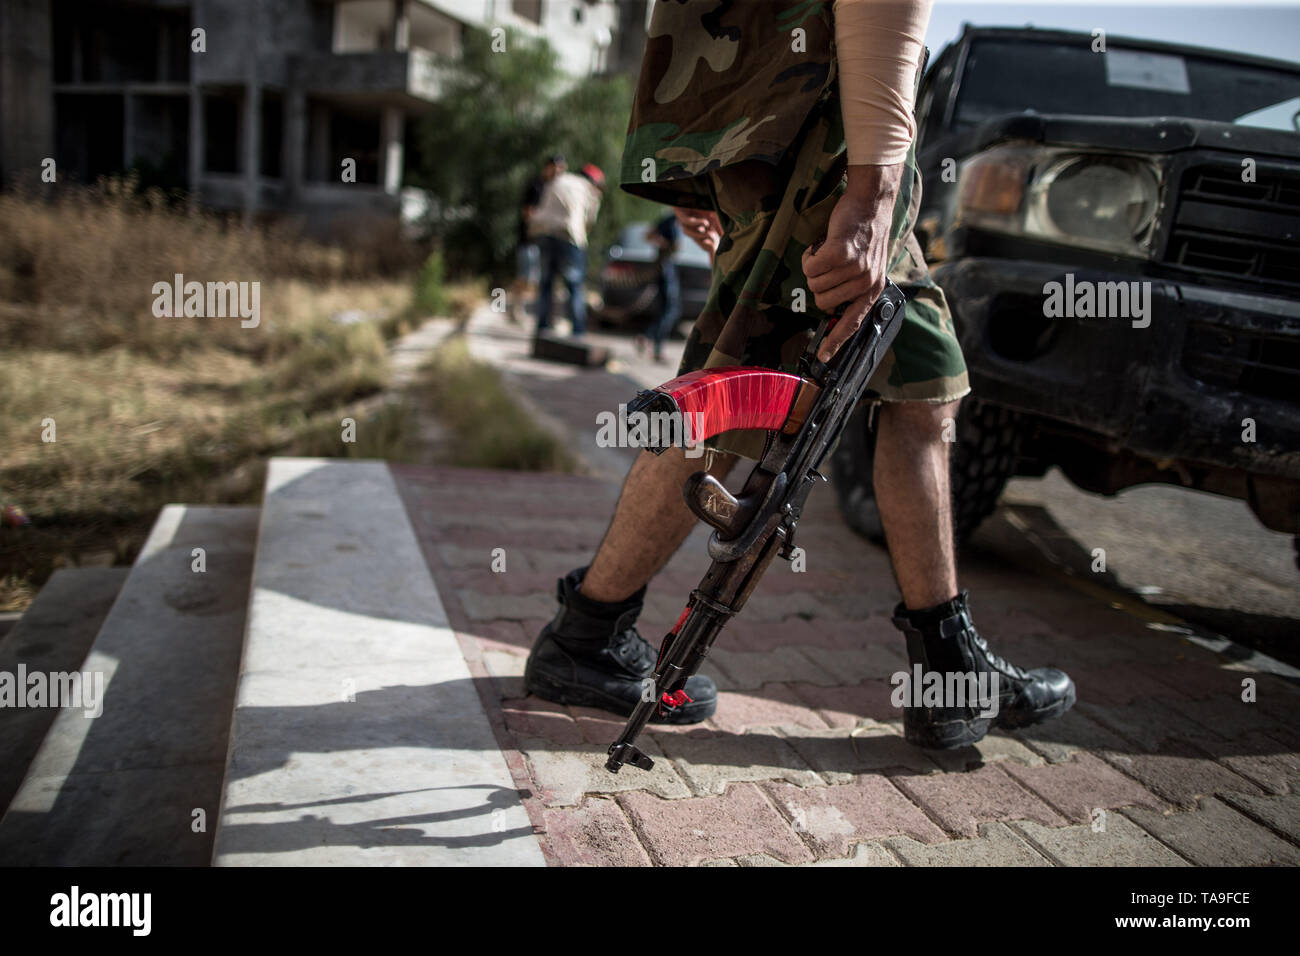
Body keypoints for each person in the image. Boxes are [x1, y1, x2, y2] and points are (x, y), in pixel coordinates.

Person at [523, 0, 1075, 749]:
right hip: (823, 119)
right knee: (739, 387)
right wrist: (876, 186)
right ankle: (585, 634)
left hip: (787, 111)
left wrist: (693, 155)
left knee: (919, 378)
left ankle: (948, 670)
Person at [531, 162, 605, 337]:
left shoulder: (558, 179)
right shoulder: (589, 189)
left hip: (545, 233)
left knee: (546, 282)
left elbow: (543, 205)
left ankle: (542, 326)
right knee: (574, 284)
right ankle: (577, 330)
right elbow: (589, 220)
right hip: (570, 236)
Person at [511, 155, 565, 322]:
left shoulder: (556, 188)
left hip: (547, 239)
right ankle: (517, 308)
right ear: (548, 167)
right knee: (526, 276)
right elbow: (527, 212)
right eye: (556, 168)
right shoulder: (537, 186)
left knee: (541, 278)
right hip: (531, 239)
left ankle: (539, 313)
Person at [636, 213, 682, 363]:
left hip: (666, 265)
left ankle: (650, 341)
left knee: (667, 309)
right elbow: (649, 235)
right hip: (665, 266)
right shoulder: (670, 220)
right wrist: (665, 244)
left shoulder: (674, 220)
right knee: (670, 309)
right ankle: (653, 343)